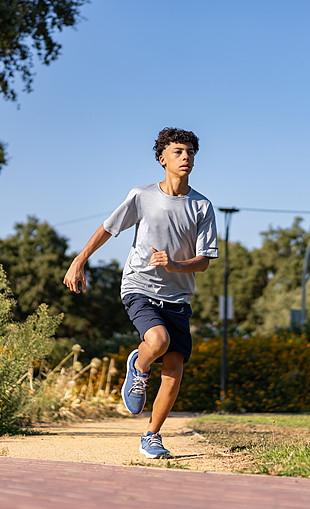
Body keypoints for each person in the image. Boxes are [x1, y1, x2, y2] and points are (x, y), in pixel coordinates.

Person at [63, 127, 218, 459]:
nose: (186, 157)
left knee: (174, 371)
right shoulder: (142, 195)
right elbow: (109, 228)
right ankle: (141, 365)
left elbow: (204, 262)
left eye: (190, 152)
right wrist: (80, 260)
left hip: (178, 297)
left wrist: (176, 265)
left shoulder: (202, 206)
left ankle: (152, 436)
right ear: (162, 158)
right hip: (140, 286)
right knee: (158, 342)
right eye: (178, 152)